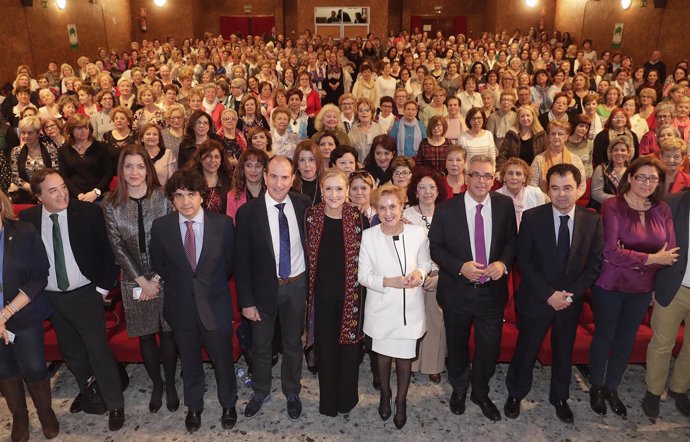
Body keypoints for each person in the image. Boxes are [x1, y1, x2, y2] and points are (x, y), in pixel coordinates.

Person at [21, 169, 124, 431]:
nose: (62, 193)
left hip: (86, 294)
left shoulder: (87, 213)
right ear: (38, 196)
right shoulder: (28, 219)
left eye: (63, 186)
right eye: (53, 190)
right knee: (72, 352)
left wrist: (101, 291)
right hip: (51, 298)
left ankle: (115, 404)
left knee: (97, 350)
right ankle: (88, 391)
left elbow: (109, 254)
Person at [504, 163, 603, 424]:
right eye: (556, 188)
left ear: (580, 188)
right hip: (537, 298)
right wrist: (549, 294)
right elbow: (523, 261)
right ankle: (515, 393)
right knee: (526, 349)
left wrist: (569, 295)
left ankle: (560, 397)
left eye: (568, 188)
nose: (561, 194)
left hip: (570, 302)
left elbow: (594, 265)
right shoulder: (533, 217)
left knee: (563, 352)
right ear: (548, 189)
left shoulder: (592, 220)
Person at [588, 156, 678, 419]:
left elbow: (669, 254)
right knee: (604, 337)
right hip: (609, 284)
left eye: (653, 178)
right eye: (641, 176)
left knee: (626, 340)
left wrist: (641, 259)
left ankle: (612, 387)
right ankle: (596, 387)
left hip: (641, 288)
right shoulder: (613, 206)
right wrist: (650, 258)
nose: (647, 182)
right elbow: (610, 253)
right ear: (630, 177)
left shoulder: (662, 209)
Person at [429, 155, 517, 421]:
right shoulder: (446, 208)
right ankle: (459, 387)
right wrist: (459, 266)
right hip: (457, 291)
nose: (481, 181)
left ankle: (480, 391)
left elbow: (512, 242)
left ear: (494, 179)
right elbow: (435, 247)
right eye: (476, 175)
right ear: (466, 178)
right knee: (456, 346)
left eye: (487, 176)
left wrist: (502, 264)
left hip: (492, 292)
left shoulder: (504, 205)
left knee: (488, 347)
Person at [150, 168, 237, 432]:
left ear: (202, 196)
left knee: (222, 359)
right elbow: (160, 265)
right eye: (178, 195)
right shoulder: (162, 227)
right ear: (171, 199)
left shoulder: (222, 225)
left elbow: (229, 264)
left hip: (215, 305)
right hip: (180, 307)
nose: (185, 201)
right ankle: (195, 406)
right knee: (189, 361)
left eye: (191, 194)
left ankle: (228, 404)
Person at [102, 145, 178, 415]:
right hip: (133, 280)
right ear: (121, 170)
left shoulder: (163, 198)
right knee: (146, 337)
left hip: (165, 276)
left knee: (168, 334)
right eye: (128, 166)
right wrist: (142, 282)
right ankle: (156, 384)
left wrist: (156, 278)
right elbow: (117, 247)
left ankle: (170, 383)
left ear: (148, 168)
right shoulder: (111, 204)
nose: (134, 172)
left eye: (140, 166)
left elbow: (172, 241)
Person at [235, 156, 312, 420]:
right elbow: (241, 261)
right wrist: (246, 302)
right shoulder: (247, 213)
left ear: (293, 179)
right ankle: (260, 390)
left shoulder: (304, 204)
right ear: (265, 177)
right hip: (263, 290)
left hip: (297, 286)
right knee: (261, 345)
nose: (279, 183)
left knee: (293, 343)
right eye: (274, 176)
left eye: (285, 177)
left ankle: (292, 391)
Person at [358, 183, 432, 429]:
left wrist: (419, 275)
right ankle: (384, 394)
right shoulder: (369, 237)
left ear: (402, 207)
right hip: (381, 309)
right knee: (382, 356)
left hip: (410, 308)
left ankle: (401, 400)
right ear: (375, 209)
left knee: (404, 358)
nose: (388, 213)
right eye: (382, 208)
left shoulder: (419, 233)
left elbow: (426, 263)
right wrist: (388, 281)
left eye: (393, 207)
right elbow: (364, 276)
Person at [304, 169, 367, 416]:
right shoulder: (311, 216)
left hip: (352, 296)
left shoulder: (358, 217)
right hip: (321, 297)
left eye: (339, 189)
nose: (334, 194)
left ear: (348, 191)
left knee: (350, 351)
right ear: (321, 188)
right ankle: (328, 403)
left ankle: (346, 400)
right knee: (327, 351)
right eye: (328, 188)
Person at [0, 189, 58, 442]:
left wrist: (7, 312)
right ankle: (20, 417)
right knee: (3, 369)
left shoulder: (23, 232)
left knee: (34, 367)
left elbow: (39, 276)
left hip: (23, 312)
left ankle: (45, 413)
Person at [644, 189, 690, 419]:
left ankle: (679, 389)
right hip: (674, 285)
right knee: (662, 344)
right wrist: (652, 283)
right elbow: (654, 245)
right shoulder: (670, 204)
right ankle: (653, 392)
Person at [404, 169, 447, 383]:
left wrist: (439, 275)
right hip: (413, 274)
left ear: (438, 191)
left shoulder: (448, 213)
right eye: (422, 187)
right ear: (415, 191)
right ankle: (410, 362)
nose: (427, 191)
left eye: (431, 187)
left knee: (436, 320)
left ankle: (434, 365)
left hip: (440, 274)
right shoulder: (407, 215)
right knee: (413, 319)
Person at [58, 114, 113, 201]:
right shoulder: (63, 150)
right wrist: (78, 194)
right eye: (79, 128)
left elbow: (109, 172)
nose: (83, 131)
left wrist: (96, 192)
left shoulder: (101, 147)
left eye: (86, 128)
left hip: (100, 195)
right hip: (76, 196)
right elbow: (64, 176)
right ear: (71, 130)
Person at [530, 120, 587, 199]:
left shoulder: (575, 159)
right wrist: (548, 200)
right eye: (553, 134)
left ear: (566, 137)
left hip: (569, 202)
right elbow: (532, 185)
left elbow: (582, 184)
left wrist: (570, 198)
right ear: (549, 136)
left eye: (560, 134)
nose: (556, 137)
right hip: (544, 203)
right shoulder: (538, 159)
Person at [9, 116, 59, 204]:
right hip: (25, 197)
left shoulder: (50, 148)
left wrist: (42, 189)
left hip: (48, 193)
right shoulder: (16, 151)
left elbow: (56, 171)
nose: (26, 136)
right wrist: (31, 188)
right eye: (23, 132)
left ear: (38, 133)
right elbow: (15, 177)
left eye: (30, 133)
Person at [186, 139, 233, 214]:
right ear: (200, 158)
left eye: (217, 157)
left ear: (221, 160)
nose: (213, 160)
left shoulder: (230, 181)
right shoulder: (190, 182)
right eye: (209, 156)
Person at [497, 105, 548, 173]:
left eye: (528, 115)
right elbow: (503, 155)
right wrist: (499, 171)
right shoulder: (511, 134)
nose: (525, 118)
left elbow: (546, 155)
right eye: (522, 116)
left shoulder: (541, 134)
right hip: (514, 172)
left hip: (536, 173)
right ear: (518, 118)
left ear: (533, 116)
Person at [496, 157, 545, 227]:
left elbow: (542, 221)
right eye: (510, 173)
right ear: (504, 177)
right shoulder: (496, 197)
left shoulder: (536, 194)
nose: (514, 177)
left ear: (524, 178)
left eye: (518, 174)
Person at [226, 148, 269, 222]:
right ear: (242, 168)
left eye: (258, 166)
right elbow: (231, 226)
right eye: (248, 165)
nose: (253, 170)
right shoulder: (233, 196)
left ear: (264, 169)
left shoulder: (272, 193)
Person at [590, 136, 631, 211]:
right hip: (605, 208)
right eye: (616, 150)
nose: (619, 153)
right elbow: (596, 194)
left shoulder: (633, 169)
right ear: (610, 152)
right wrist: (620, 200)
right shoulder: (601, 169)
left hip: (629, 208)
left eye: (623, 150)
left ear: (628, 153)